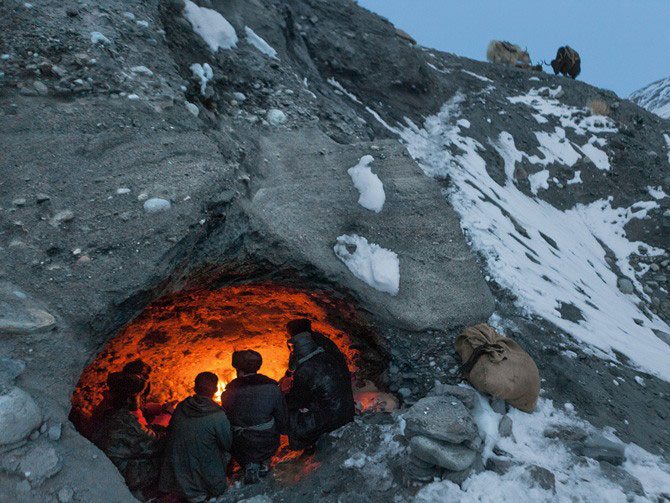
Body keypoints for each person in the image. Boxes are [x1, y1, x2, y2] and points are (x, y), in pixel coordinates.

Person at [159, 372, 232, 503]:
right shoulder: (217, 415)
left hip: (175, 479)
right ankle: (206, 487)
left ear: (194, 388)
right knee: (225, 452)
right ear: (215, 390)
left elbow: (170, 433)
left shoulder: (181, 407)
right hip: (204, 482)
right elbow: (228, 444)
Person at [220, 350, 289, 484]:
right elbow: (282, 419)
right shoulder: (272, 388)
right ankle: (263, 461)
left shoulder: (227, 393)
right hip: (266, 443)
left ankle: (249, 464)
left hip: (241, 446)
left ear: (238, 370)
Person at [284, 327, 355, 454]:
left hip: (333, 418)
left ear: (296, 352)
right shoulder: (328, 357)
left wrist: (282, 397)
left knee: (292, 414)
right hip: (347, 410)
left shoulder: (305, 370)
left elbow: (296, 400)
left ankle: (307, 444)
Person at [97, 372, 165, 500]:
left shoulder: (110, 413)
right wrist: (167, 419)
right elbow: (154, 444)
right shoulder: (124, 420)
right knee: (169, 459)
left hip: (111, 465)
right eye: (139, 396)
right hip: (121, 472)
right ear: (130, 398)